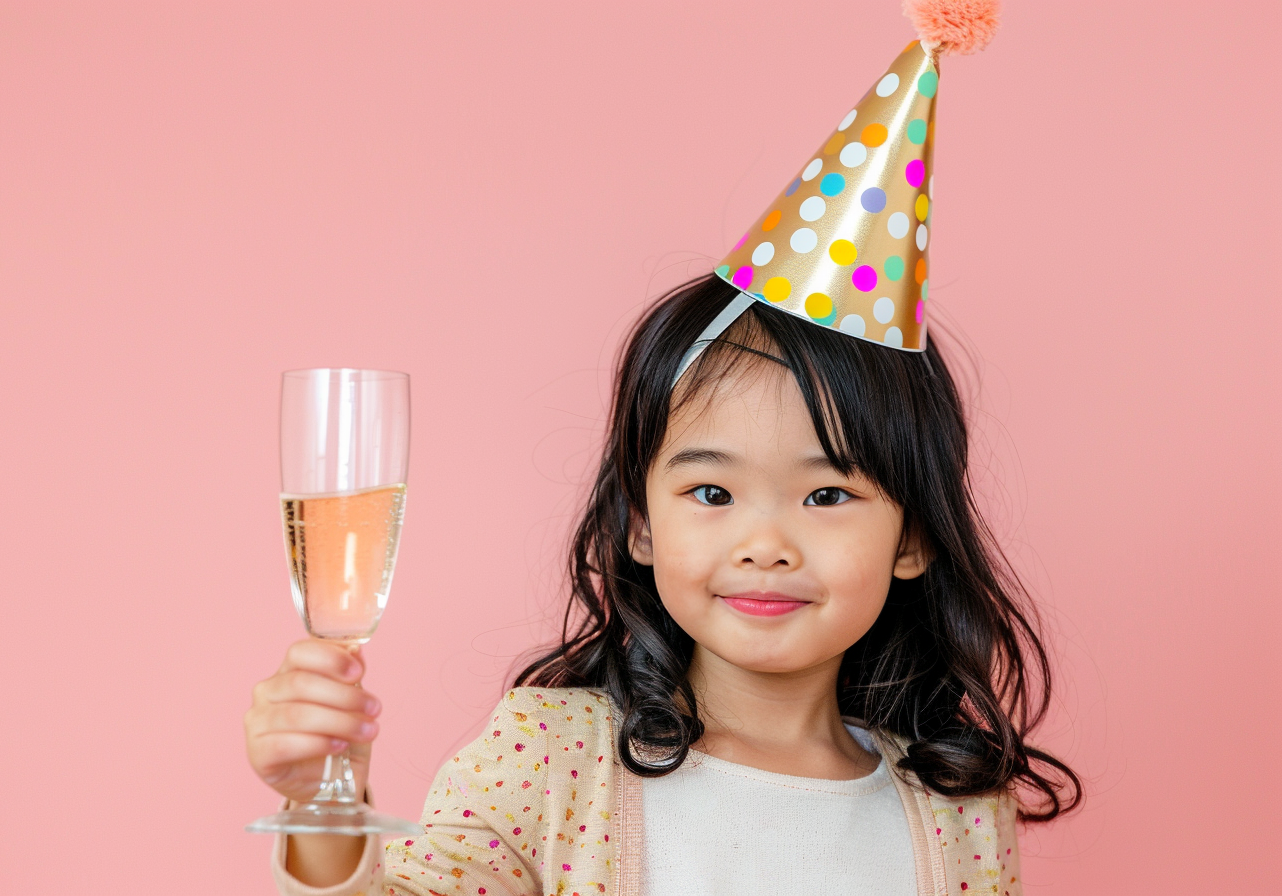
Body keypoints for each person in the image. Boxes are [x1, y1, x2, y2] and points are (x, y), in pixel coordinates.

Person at [245, 4, 1080, 894]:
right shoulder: (553, 760)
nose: (766, 543)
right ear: (639, 521)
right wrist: (318, 812)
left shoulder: (956, 810)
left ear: (912, 536)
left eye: (827, 495)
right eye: (712, 494)